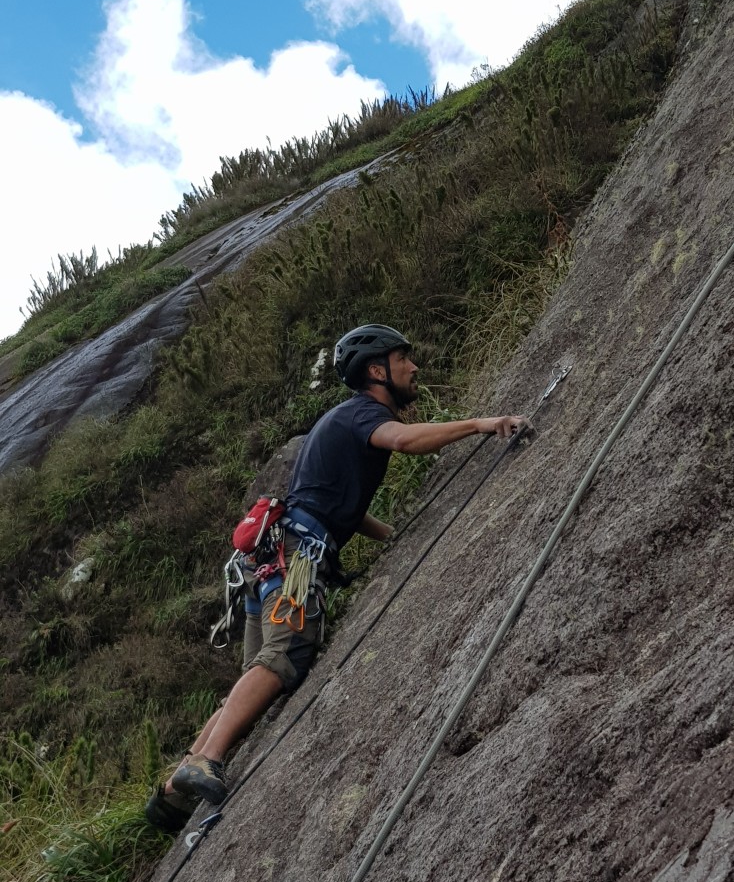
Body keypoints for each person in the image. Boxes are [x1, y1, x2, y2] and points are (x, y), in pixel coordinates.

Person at [146, 324, 530, 830]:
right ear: (377, 371)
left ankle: (173, 794)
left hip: (274, 555)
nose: (414, 368)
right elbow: (405, 440)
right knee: (284, 657)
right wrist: (482, 423)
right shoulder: (364, 414)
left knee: (259, 672)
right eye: (402, 359)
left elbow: (338, 508)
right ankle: (203, 761)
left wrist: (395, 535)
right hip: (297, 558)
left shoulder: (339, 421)